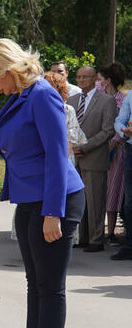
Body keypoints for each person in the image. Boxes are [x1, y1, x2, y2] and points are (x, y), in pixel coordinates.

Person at [0, 38, 85, 328]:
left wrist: (53, 212)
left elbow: (56, 154)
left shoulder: (42, 94)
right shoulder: (20, 96)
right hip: (30, 200)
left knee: (50, 288)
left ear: (8, 69)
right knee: (35, 287)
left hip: (55, 200)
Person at [68, 66, 117, 252]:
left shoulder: (107, 101)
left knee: (95, 200)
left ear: (95, 78)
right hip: (73, 158)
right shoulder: (71, 100)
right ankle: (82, 236)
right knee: (77, 199)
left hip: (94, 157)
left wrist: (85, 147)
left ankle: (96, 240)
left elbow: (108, 130)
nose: (81, 80)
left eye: (85, 77)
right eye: (78, 77)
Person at [97, 63, 126, 245]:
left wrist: (113, 142)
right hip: (97, 146)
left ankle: (112, 230)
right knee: (97, 188)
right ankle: (96, 228)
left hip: (115, 149)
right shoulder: (98, 96)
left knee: (113, 189)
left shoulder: (121, 99)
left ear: (108, 80)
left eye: (100, 79)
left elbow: (121, 124)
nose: (97, 82)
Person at [43, 71, 87, 165]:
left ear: (59, 89)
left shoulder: (67, 110)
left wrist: (57, 158)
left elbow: (71, 140)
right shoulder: (38, 109)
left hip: (62, 158)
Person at [112, 90, 132, 260]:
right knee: (129, 203)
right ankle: (130, 245)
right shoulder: (131, 95)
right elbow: (119, 120)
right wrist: (123, 130)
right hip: (131, 150)